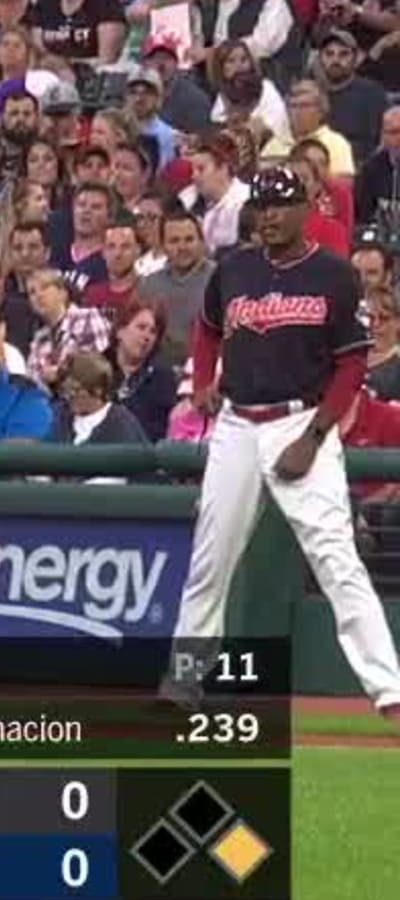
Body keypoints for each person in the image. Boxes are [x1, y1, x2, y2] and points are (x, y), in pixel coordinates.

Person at [171, 165, 400, 723]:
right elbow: (208, 327)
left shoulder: (333, 275)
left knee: (337, 561)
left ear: (305, 209)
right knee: (210, 559)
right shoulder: (235, 267)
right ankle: (182, 681)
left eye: (279, 204)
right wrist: (204, 379)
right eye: (262, 205)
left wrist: (316, 435)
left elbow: (350, 364)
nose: (269, 214)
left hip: (300, 422)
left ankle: (390, 692)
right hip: (237, 427)